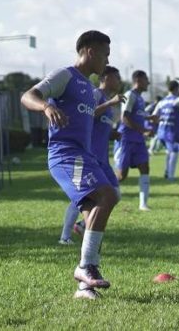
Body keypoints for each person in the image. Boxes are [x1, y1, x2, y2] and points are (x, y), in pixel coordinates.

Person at [21, 30, 117, 299]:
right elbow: (28, 95)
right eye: (105, 54)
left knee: (94, 213)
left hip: (83, 156)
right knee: (107, 195)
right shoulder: (66, 76)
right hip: (65, 155)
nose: (107, 62)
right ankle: (86, 267)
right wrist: (45, 107)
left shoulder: (89, 88)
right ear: (90, 51)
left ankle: (85, 288)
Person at [59, 66, 124, 244]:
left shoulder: (108, 102)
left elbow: (97, 126)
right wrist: (110, 103)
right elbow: (87, 115)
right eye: (117, 77)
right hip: (85, 156)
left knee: (115, 195)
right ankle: (64, 237)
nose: (119, 81)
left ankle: (81, 225)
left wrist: (113, 134)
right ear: (106, 77)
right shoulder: (95, 94)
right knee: (80, 196)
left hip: (102, 158)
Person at [114, 70, 156, 211]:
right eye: (146, 79)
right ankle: (103, 195)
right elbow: (125, 118)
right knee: (121, 175)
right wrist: (144, 130)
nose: (148, 83)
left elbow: (138, 114)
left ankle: (143, 204)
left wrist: (150, 118)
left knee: (145, 168)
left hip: (138, 140)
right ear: (138, 79)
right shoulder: (130, 95)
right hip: (126, 139)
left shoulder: (140, 98)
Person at [154, 80, 179, 189]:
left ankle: (169, 175)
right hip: (177, 133)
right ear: (177, 88)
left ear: (168, 89)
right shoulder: (178, 99)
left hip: (162, 133)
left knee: (171, 152)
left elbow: (154, 117)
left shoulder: (161, 102)